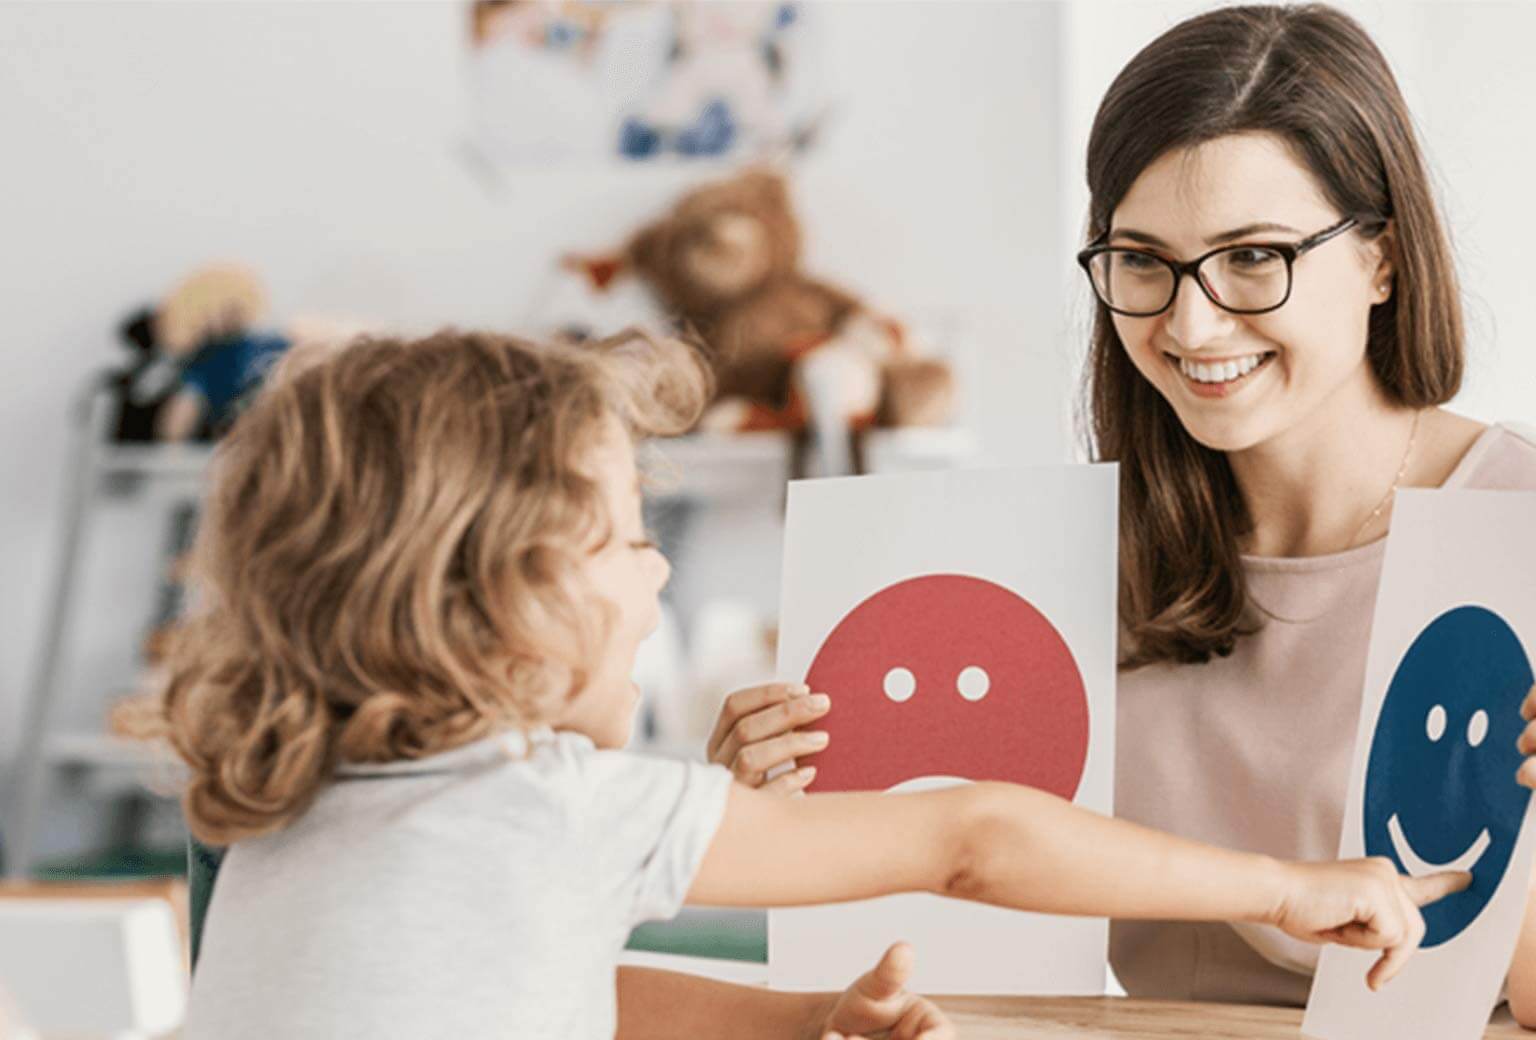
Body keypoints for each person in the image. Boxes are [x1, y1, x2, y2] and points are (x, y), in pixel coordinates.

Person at [142, 328, 1462, 1039]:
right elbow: (972, 833)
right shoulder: (557, 805)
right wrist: (1292, 886)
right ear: (497, 602)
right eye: (628, 536)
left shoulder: (284, 809)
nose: (658, 576)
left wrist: (808, 1021)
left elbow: (553, 993)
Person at [708, 2, 1536, 1024]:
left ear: (1382, 258)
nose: (1190, 323)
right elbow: (948, 950)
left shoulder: (1517, 531)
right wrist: (776, 815)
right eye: (1142, 261)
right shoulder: (1061, 565)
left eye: (1252, 257)